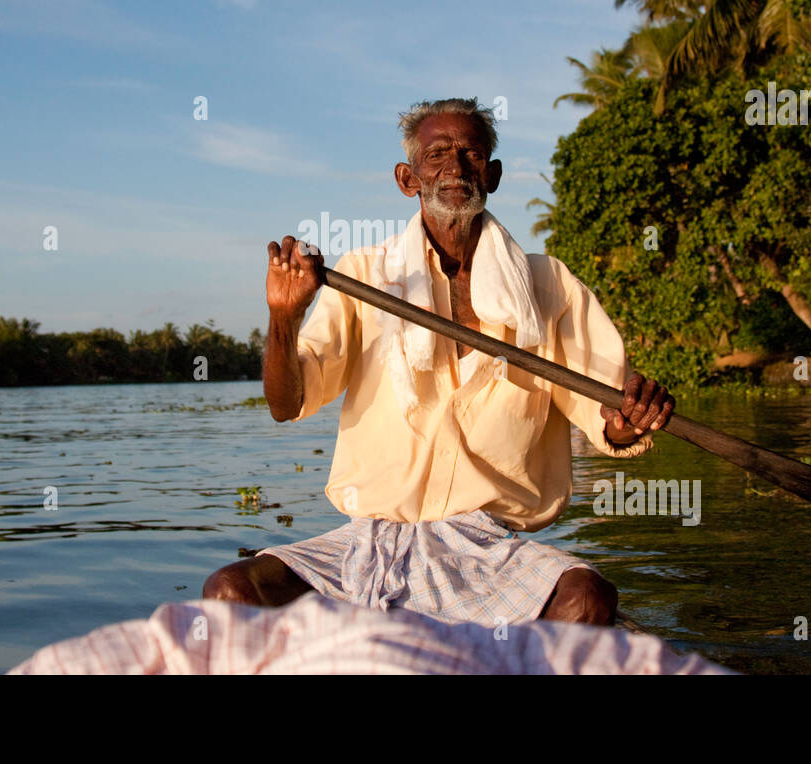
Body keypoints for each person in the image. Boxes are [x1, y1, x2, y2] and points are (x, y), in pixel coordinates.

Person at [203, 98, 675, 627]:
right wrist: (284, 318)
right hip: (370, 543)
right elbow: (286, 403)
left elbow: (604, 404)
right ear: (408, 179)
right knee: (230, 591)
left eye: (471, 154)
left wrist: (626, 415)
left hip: (491, 549)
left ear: (492, 175)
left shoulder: (549, 285)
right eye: (437, 156)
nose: (455, 167)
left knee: (587, 600)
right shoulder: (366, 276)